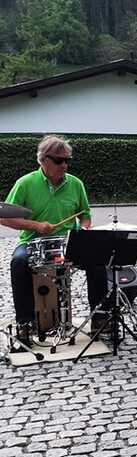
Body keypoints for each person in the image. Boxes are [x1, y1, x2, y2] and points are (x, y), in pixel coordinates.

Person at [1, 135, 108, 346]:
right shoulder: (25, 183)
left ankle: (100, 317)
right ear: (43, 160)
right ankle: (24, 323)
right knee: (19, 262)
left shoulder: (76, 184)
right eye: (59, 160)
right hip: (33, 242)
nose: (64, 165)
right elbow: (5, 217)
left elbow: (85, 216)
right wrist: (36, 226)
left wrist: (83, 230)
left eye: (67, 160)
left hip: (69, 241)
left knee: (98, 261)